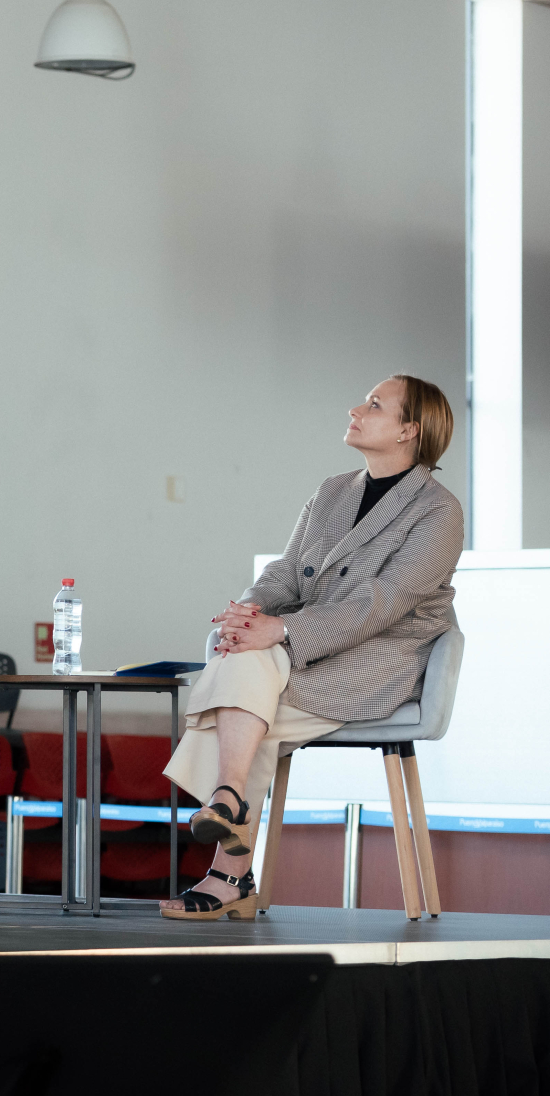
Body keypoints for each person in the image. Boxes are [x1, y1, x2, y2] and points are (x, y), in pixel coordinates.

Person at [161, 375, 462, 920]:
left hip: (382, 657)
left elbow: (382, 604)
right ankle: (229, 807)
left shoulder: (439, 511)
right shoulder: (332, 491)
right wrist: (247, 612)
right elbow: (285, 572)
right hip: (306, 649)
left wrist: (280, 631)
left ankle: (229, 860)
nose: (355, 409)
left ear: (409, 431)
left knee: (245, 705)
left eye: (374, 405)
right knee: (246, 669)